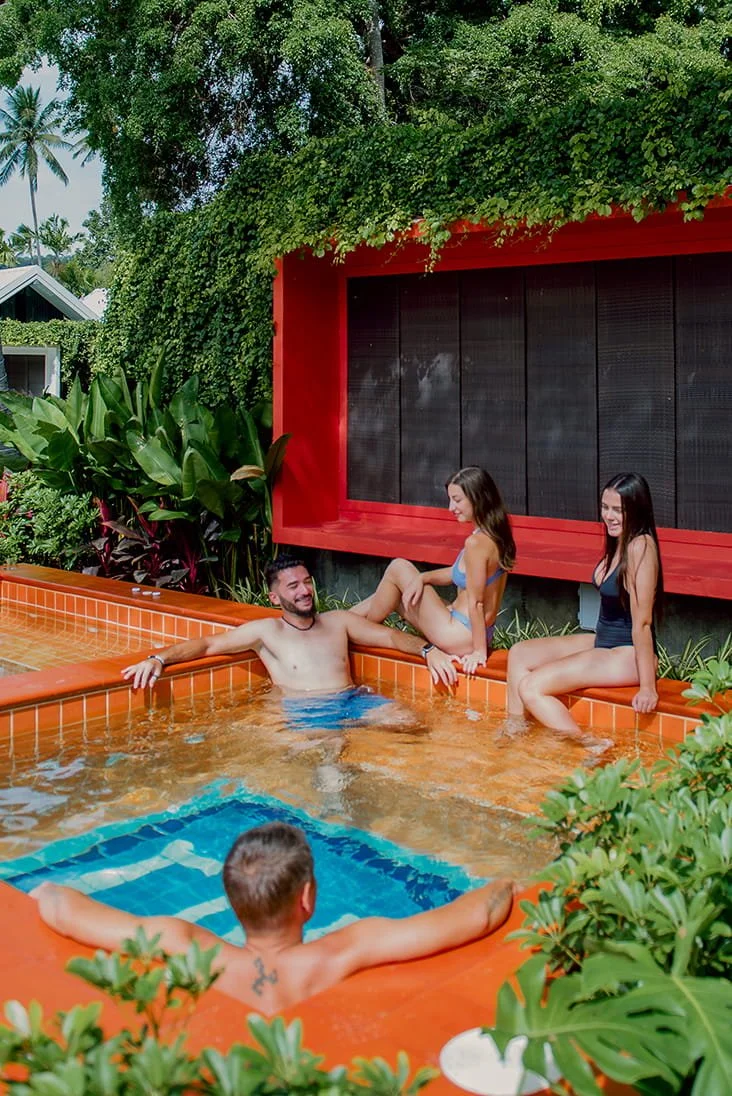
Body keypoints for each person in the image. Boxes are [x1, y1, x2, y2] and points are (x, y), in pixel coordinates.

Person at [33, 821, 515, 1014]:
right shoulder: (344, 951)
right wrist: (506, 883)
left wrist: (49, 887)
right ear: (308, 899)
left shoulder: (184, 945)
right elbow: (478, 915)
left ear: (231, 899)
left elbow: (60, 907)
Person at [122, 556, 458, 731]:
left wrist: (428, 650)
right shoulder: (265, 633)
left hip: (353, 701)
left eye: (307, 582)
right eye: (293, 585)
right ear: (274, 596)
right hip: (308, 711)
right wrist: (159, 659)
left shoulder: (337, 622)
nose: (304, 591)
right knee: (332, 768)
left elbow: (389, 636)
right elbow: (208, 644)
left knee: (411, 725)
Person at [504, 472, 663, 742]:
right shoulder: (619, 543)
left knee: (532, 687)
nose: (609, 516)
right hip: (604, 643)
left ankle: (590, 746)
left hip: (628, 655)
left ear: (636, 509)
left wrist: (648, 687)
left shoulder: (641, 548)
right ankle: (515, 730)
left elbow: (643, 622)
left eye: (618, 510)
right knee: (519, 653)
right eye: (605, 507)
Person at [351, 468, 515, 673]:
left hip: (460, 634)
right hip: (472, 630)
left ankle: (358, 632)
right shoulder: (496, 535)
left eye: (457, 500)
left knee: (398, 567)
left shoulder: (476, 543)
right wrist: (423, 577)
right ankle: (341, 622)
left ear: (478, 498)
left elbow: (476, 602)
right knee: (396, 592)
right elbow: (459, 574)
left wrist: (479, 652)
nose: (450, 508)